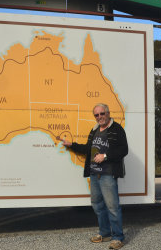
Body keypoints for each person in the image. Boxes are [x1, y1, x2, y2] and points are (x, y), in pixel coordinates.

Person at [62, 103, 128, 250]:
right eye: (96, 115)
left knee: (112, 207)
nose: (99, 117)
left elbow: (124, 150)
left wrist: (105, 156)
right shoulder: (95, 129)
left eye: (102, 113)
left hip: (108, 174)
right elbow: (87, 148)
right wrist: (71, 144)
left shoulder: (117, 129)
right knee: (97, 205)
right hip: (94, 173)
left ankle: (118, 237)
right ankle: (104, 234)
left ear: (108, 113)